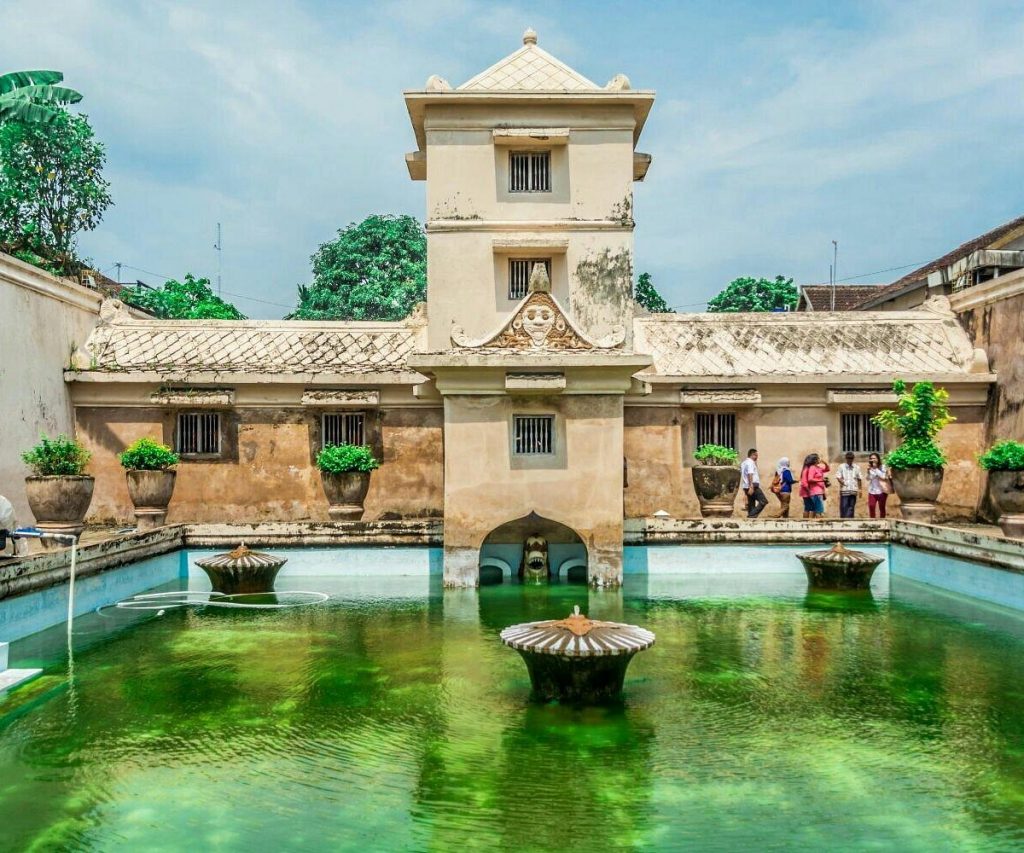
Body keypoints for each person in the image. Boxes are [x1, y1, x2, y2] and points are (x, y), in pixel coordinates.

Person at [740, 448, 769, 518]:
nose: (757, 457)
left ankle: (751, 519)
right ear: (752, 455)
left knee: (751, 505)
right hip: (753, 486)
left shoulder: (743, 463)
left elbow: (744, 476)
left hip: (746, 486)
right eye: (756, 455)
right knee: (763, 501)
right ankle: (751, 515)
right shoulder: (750, 462)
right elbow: (750, 474)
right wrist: (751, 486)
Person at [799, 453, 827, 519]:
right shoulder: (807, 469)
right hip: (806, 492)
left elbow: (826, 469)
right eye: (817, 458)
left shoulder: (811, 468)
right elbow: (804, 483)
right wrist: (809, 491)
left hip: (809, 491)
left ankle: (811, 521)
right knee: (808, 508)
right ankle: (806, 522)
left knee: (813, 508)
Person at [836, 452, 863, 518]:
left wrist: (860, 489)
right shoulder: (841, 466)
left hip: (853, 490)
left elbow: (859, 478)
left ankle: (850, 521)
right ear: (846, 458)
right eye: (848, 458)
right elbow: (838, 476)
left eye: (851, 458)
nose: (849, 460)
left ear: (853, 458)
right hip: (845, 490)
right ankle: (843, 521)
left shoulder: (856, 467)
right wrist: (842, 482)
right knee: (844, 506)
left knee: (851, 507)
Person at [867, 452, 890, 519]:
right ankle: (872, 521)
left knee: (882, 507)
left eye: (874, 458)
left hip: (882, 490)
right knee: (871, 506)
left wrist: (875, 469)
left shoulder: (883, 467)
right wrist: (868, 471)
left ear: (878, 459)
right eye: (871, 458)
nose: (872, 459)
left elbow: (883, 477)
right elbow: (868, 478)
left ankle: (882, 521)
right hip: (872, 490)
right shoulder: (870, 467)